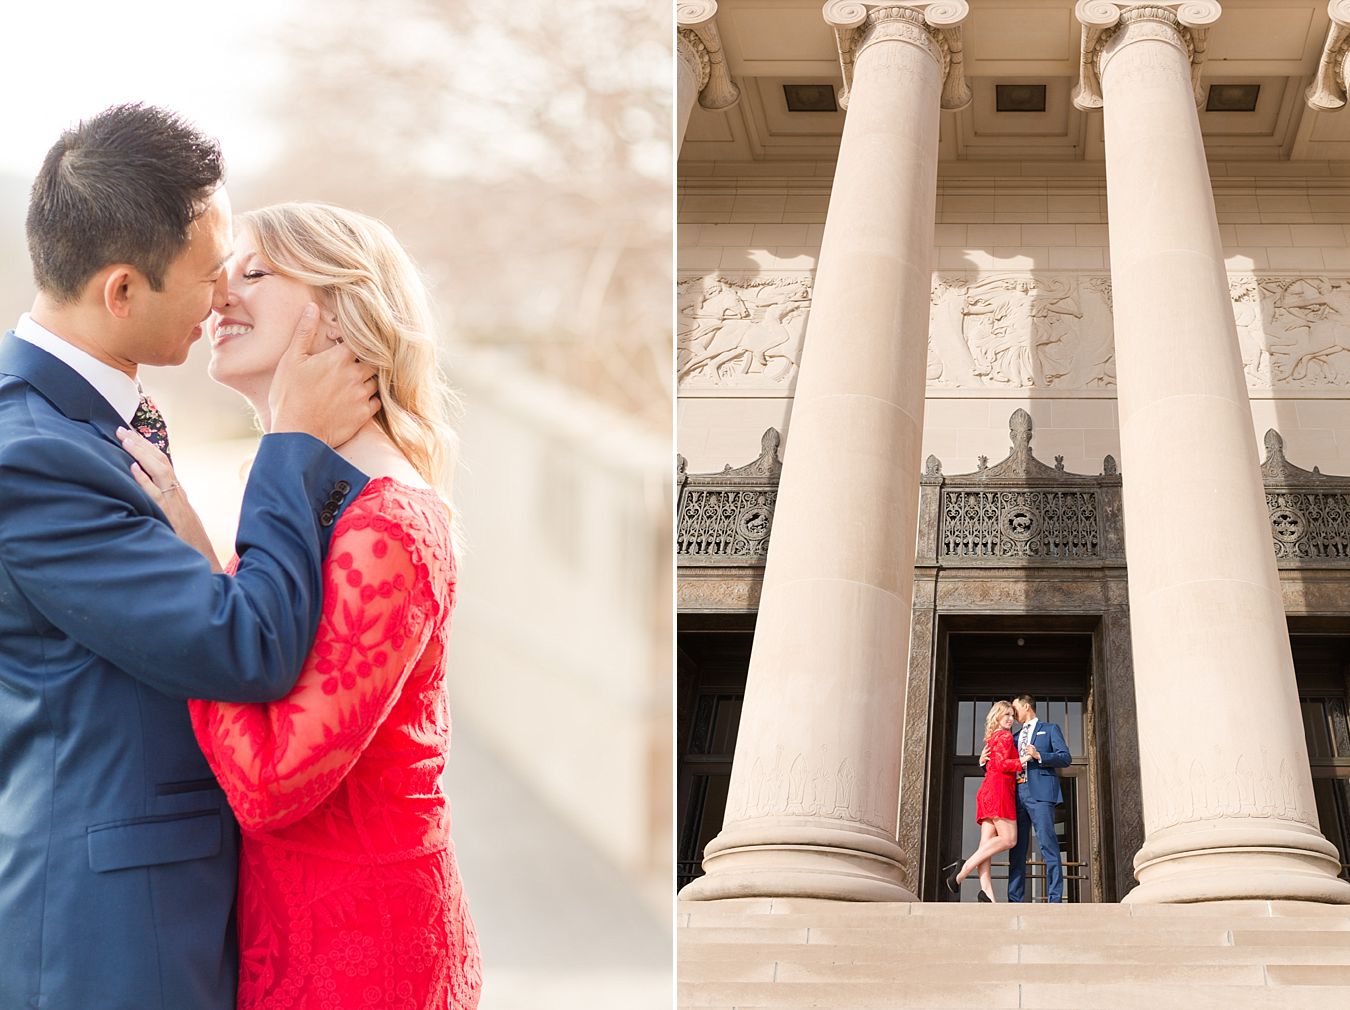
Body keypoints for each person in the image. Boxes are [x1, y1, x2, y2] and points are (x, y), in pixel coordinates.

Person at [0, 105, 378, 1010]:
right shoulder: (33, 456)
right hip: (110, 937)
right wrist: (293, 442)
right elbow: (246, 647)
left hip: (165, 910)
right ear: (122, 291)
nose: (222, 299)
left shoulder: (87, 423)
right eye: (210, 275)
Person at [119, 201, 482, 1009]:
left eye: (255, 273)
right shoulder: (324, 494)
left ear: (343, 308)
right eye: (222, 276)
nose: (220, 298)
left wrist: (195, 608)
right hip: (291, 930)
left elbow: (270, 785)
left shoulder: (388, 520)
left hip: (361, 952)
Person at [944, 700, 1026, 902]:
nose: (1010, 719)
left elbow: (991, 764)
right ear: (997, 716)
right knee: (1009, 839)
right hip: (999, 791)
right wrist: (1024, 760)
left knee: (986, 845)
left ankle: (987, 893)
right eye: (1006, 714)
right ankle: (963, 869)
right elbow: (1001, 764)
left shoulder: (992, 738)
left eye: (1011, 715)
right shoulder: (1005, 737)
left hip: (990, 791)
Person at [1006, 694, 1073, 903]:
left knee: (1047, 844)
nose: (1013, 713)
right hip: (1017, 794)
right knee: (1016, 848)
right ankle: (1014, 899)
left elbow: (1065, 757)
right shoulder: (1013, 737)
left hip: (1041, 794)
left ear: (1027, 706)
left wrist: (1039, 756)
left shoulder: (1050, 729)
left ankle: (1055, 898)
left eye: (1015, 709)